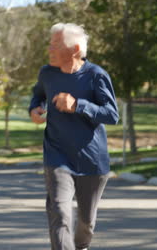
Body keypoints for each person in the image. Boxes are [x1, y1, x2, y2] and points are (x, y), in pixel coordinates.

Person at [29, 23, 119, 250]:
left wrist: (78, 105)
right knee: (59, 212)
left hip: (92, 160)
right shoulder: (47, 74)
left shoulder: (96, 76)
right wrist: (35, 109)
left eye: (56, 45)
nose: (49, 49)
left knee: (86, 222)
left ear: (75, 49)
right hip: (57, 155)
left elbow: (112, 115)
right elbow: (38, 94)